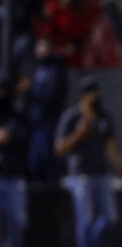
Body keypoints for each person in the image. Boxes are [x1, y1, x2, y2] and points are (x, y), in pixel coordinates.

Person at [54, 76, 122, 247]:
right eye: (92, 93)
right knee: (85, 220)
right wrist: (79, 133)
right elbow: (59, 148)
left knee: (109, 217)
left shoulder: (103, 116)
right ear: (83, 96)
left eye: (97, 93)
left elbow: (111, 145)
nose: (96, 97)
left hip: (102, 173)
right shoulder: (71, 117)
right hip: (80, 175)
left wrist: (121, 170)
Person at [26, 38, 68, 184]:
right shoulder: (36, 67)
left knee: (46, 160)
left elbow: (51, 95)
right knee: (34, 163)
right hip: (34, 122)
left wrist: (30, 90)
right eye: (39, 46)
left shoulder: (56, 69)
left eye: (44, 46)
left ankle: (53, 195)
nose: (40, 49)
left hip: (48, 122)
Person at [0, 77, 29, 247]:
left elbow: (25, 139)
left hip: (15, 175)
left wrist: (10, 136)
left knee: (18, 219)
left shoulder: (16, 116)